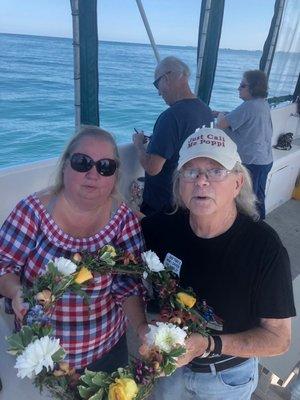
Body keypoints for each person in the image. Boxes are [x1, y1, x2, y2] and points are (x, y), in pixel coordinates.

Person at [141, 127, 295, 400]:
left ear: (237, 183)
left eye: (216, 170)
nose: (201, 181)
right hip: (170, 369)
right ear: (179, 184)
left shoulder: (264, 248)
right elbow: (121, 237)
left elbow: (279, 339)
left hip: (225, 377)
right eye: (190, 171)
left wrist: (209, 345)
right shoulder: (161, 227)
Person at [0, 126, 148, 373]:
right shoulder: (32, 211)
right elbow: (4, 265)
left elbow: (129, 283)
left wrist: (142, 328)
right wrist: (16, 293)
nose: (93, 174)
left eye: (105, 167)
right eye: (82, 162)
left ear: (114, 176)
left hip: (106, 348)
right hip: (42, 352)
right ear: (65, 165)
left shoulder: (123, 220)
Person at [133, 56, 212, 216]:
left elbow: (152, 168)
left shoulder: (171, 117)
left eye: (157, 84)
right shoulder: (205, 111)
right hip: (190, 199)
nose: (158, 92)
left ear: (167, 78)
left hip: (163, 205)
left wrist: (139, 145)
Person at [215, 70, 273, 219]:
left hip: (252, 162)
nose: (238, 88)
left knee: (247, 200)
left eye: (242, 86)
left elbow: (221, 124)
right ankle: (260, 226)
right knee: (258, 196)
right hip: (264, 160)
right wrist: (224, 113)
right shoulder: (262, 104)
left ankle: (250, 229)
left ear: (253, 87)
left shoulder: (249, 106)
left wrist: (220, 114)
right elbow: (242, 117)